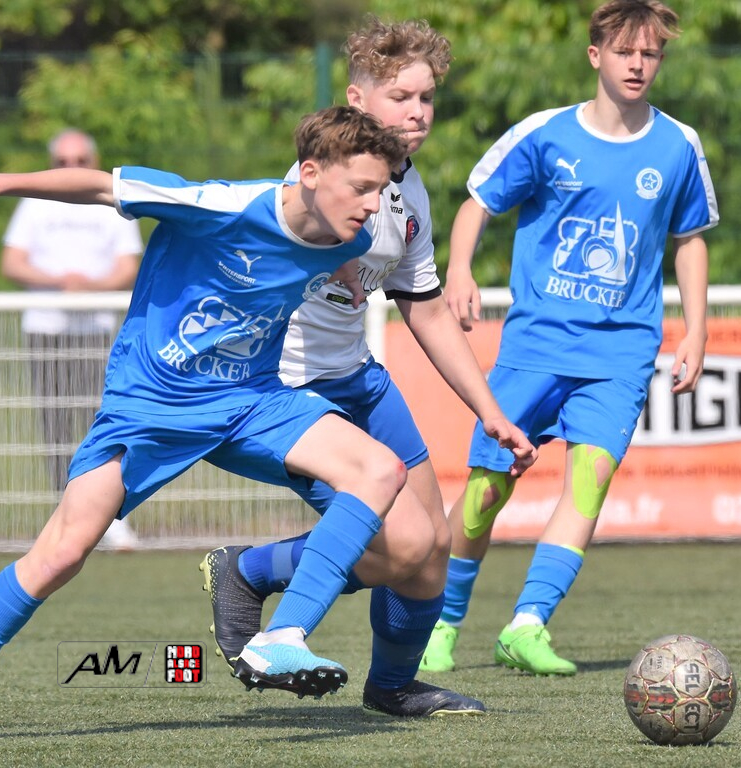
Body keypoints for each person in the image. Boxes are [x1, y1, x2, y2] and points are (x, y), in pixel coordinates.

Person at [0, 106, 416, 744]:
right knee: (61, 554)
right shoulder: (221, 206)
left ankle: (283, 634)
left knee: (380, 469)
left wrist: (350, 281)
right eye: (361, 188)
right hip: (152, 407)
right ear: (309, 173)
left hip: (252, 402)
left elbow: (338, 256)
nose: (373, 204)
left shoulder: (352, 235)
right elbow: (100, 185)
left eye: (381, 189)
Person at [200, 18, 536, 718]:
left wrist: (491, 413)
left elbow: (427, 310)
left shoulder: (411, 193)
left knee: (434, 545)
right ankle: (250, 571)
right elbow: (266, 242)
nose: (418, 112)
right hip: (290, 388)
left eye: (427, 97)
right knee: (402, 546)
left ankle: (393, 687)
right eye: (400, 97)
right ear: (356, 100)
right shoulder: (319, 180)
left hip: (359, 379)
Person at [420, 0, 717, 676]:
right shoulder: (546, 134)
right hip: (536, 347)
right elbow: (478, 203)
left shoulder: (678, 145)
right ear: (595, 56)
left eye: (650, 54)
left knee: (590, 481)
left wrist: (698, 329)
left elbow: (690, 239)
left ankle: (527, 625)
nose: (638, 64)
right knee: (486, 492)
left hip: (621, 354)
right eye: (625, 52)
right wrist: (459, 269)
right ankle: (441, 622)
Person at [2, 128, 143, 550]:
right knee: (56, 425)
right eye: (63, 162)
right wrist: (59, 282)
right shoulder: (34, 204)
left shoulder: (113, 207)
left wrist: (89, 287)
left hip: (98, 331)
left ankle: (110, 518)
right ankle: (66, 517)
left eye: (80, 161)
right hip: (45, 329)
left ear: (94, 162)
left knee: (104, 422)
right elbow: (12, 262)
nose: (71, 169)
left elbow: (128, 266)